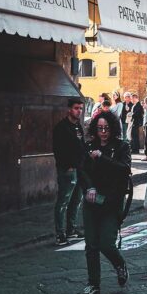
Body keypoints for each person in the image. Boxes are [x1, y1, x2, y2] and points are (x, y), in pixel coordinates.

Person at [79, 109, 132, 294]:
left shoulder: (121, 147)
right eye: (100, 128)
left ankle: (119, 263)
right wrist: (89, 188)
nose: (103, 132)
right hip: (92, 201)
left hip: (111, 201)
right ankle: (93, 284)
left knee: (106, 243)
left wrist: (102, 157)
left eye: (106, 128)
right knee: (91, 245)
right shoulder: (88, 146)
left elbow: (124, 169)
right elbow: (83, 170)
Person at [52, 97, 86, 246]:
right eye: (76, 108)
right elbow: (58, 150)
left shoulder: (78, 126)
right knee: (63, 201)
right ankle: (60, 234)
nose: (79, 111)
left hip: (79, 169)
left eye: (80, 108)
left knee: (76, 200)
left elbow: (81, 146)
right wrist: (67, 166)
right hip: (68, 170)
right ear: (69, 109)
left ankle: (71, 230)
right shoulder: (61, 127)